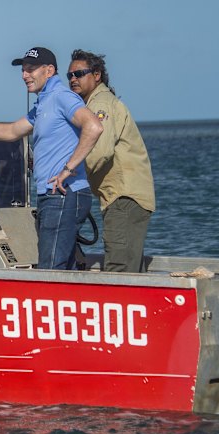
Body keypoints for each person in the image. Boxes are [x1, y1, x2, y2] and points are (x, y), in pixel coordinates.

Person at [0, 46, 102, 270]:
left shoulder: (61, 96)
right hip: (52, 197)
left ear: (49, 71)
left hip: (65, 195)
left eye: (30, 69)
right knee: (64, 267)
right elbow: (12, 132)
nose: (24, 75)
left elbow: (94, 126)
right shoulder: (43, 104)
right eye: (23, 70)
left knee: (50, 270)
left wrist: (68, 169)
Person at [67, 49, 155, 272]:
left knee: (119, 268)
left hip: (123, 196)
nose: (73, 80)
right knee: (129, 266)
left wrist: (67, 174)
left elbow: (100, 150)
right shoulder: (95, 104)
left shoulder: (101, 104)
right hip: (125, 196)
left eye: (79, 74)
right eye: (70, 76)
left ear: (97, 75)